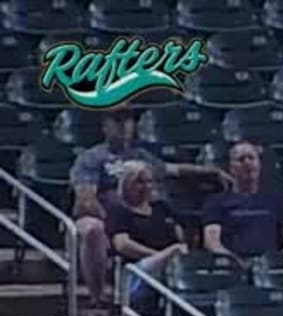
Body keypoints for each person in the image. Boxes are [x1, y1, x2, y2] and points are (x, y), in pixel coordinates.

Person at [69, 109, 215, 302]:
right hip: (104, 215)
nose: (123, 125)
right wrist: (112, 220)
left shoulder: (141, 155)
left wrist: (211, 172)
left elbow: (173, 170)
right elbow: (86, 199)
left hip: (139, 212)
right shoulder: (92, 158)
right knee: (92, 228)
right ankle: (97, 297)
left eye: (128, 120)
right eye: (117, 120)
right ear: (105, 126)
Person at [200, 142, 283, 260]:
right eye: (241, 159)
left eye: (251, 158)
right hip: (234, 264)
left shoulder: (275, 200)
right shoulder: (216, 202)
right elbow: (212, 242)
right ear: (231, 168)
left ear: (259, 164)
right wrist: (234, 261)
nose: (247, 163)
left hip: (269, 265)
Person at [103, 161, 188, 299]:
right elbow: (122, 245)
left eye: (149, 182)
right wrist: (158, 256)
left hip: (168, 266)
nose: (146, 187)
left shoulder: (162, 208)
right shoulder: (119, 211)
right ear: (126, 184)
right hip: (136, 270)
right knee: (177, 250)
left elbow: (182, 232)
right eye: (139, 182)